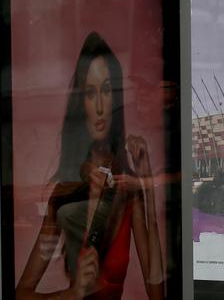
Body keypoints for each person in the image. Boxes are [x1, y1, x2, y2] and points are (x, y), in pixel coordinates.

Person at [17, 32, 164, 299]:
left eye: (107, 90)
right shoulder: (65, 194)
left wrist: (146, 182)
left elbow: (157, 292)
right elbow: (22, 293)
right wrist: (71, 294)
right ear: (81, 102)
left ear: (115, 100)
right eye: (90, 92)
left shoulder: (127, 192)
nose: (99, 106)